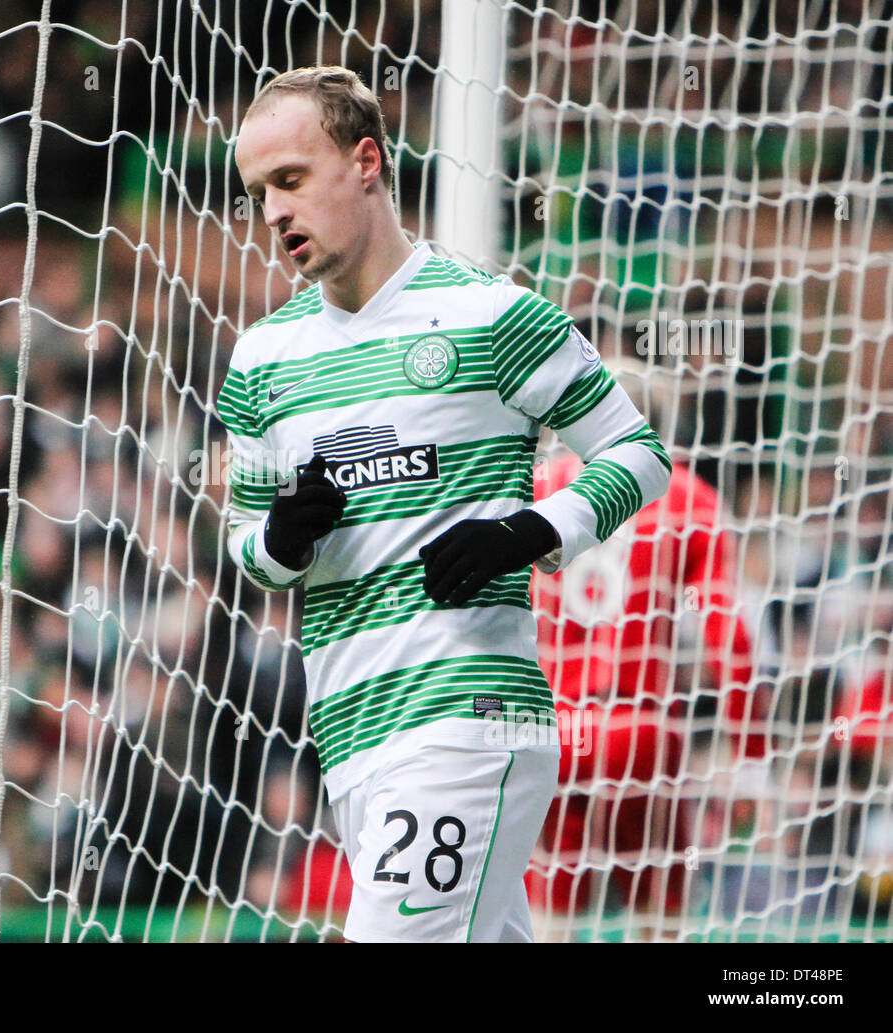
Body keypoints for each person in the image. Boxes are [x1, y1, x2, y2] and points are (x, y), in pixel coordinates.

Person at [216, 66, 671, 942]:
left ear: (366, 162)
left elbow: (636, 453)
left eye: (291, 179)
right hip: (350, 729)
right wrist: (281, 537)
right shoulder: (262, 361)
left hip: (469, 716)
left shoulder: (491, 316)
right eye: (257, 192)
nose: (272, 212)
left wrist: (535, 528)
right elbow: (244, 544)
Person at [526, 358, 758, 920]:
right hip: (641, 731)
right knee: (658, 915)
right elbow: (725, 633)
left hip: (558, 727)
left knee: (550, 918)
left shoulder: (540, 488)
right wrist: (750, 751)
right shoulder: (687, 498)